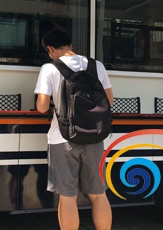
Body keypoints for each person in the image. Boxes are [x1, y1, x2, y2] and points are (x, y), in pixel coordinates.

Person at [34, 29, 114, 230]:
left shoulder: (49, 68)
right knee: (99, 194)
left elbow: (42, 107)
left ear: (50, 49)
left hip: (62, 138)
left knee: (67, 197)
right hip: (95, 137)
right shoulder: (97, 66)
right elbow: (109, 100)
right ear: (70, 45)